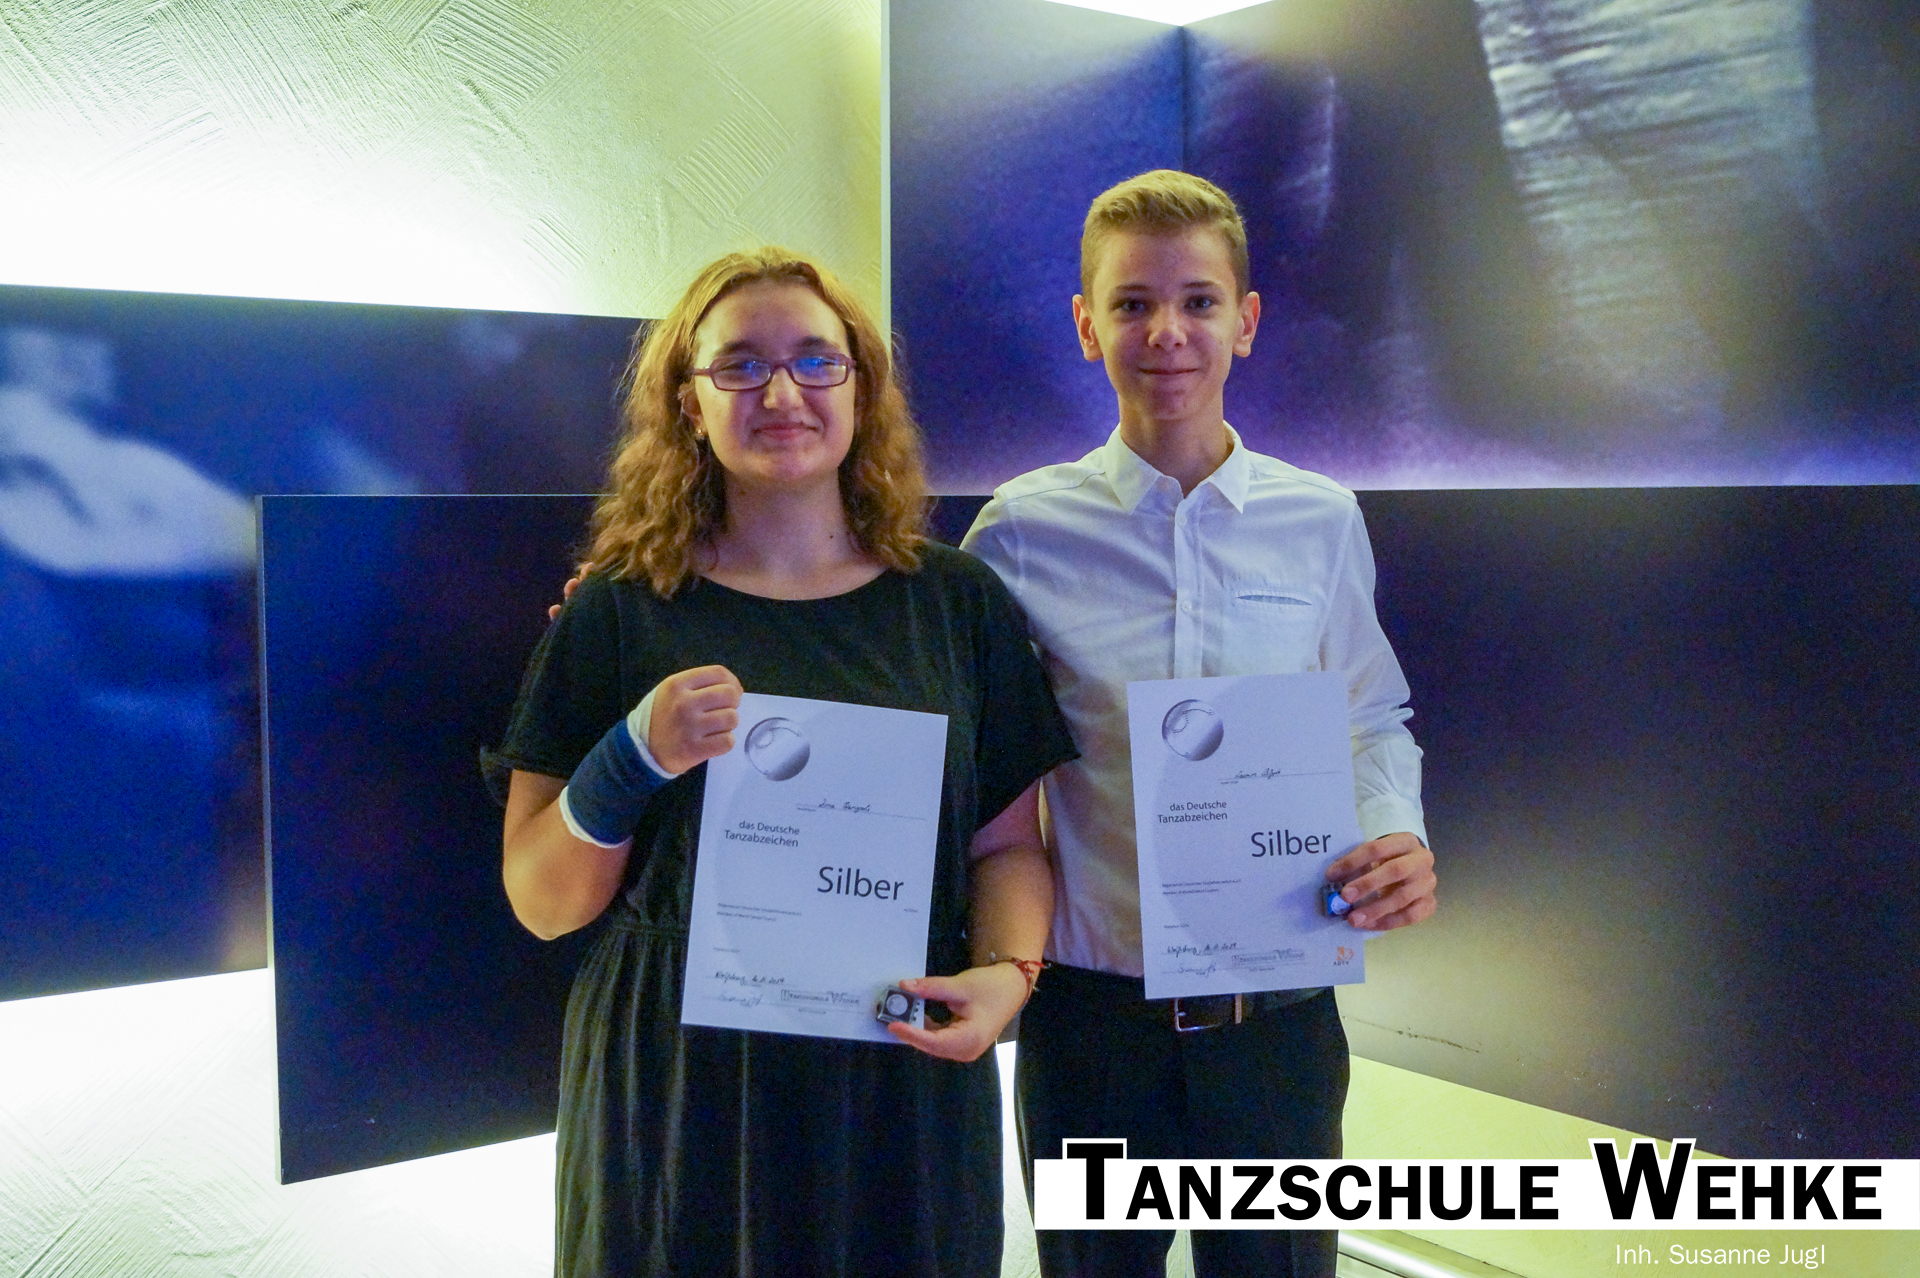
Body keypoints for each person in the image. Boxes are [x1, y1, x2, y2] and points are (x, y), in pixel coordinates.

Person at [490, 247, 1076, 1278]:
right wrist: (633, 755)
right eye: (741, 365)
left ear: (860, 389)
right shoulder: (619, 609)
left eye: (815, 360)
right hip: (678, 1090)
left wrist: (1004, 982)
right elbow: (542, 903)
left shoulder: (957, 603)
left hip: (895, 1073)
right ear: (689, 401)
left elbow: (1008, 850)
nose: (780, 392)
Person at [960, 170, 1439, 1278]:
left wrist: (1397, 831)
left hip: (1276, 1026)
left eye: (1198, 301)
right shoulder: (1020, 532)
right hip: (1092, 1030)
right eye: (1132, 303)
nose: (1166, 332)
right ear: (1087, 326)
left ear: (1246, 320)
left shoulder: (1321, 519)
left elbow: (1372, 714)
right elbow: (963, 743)